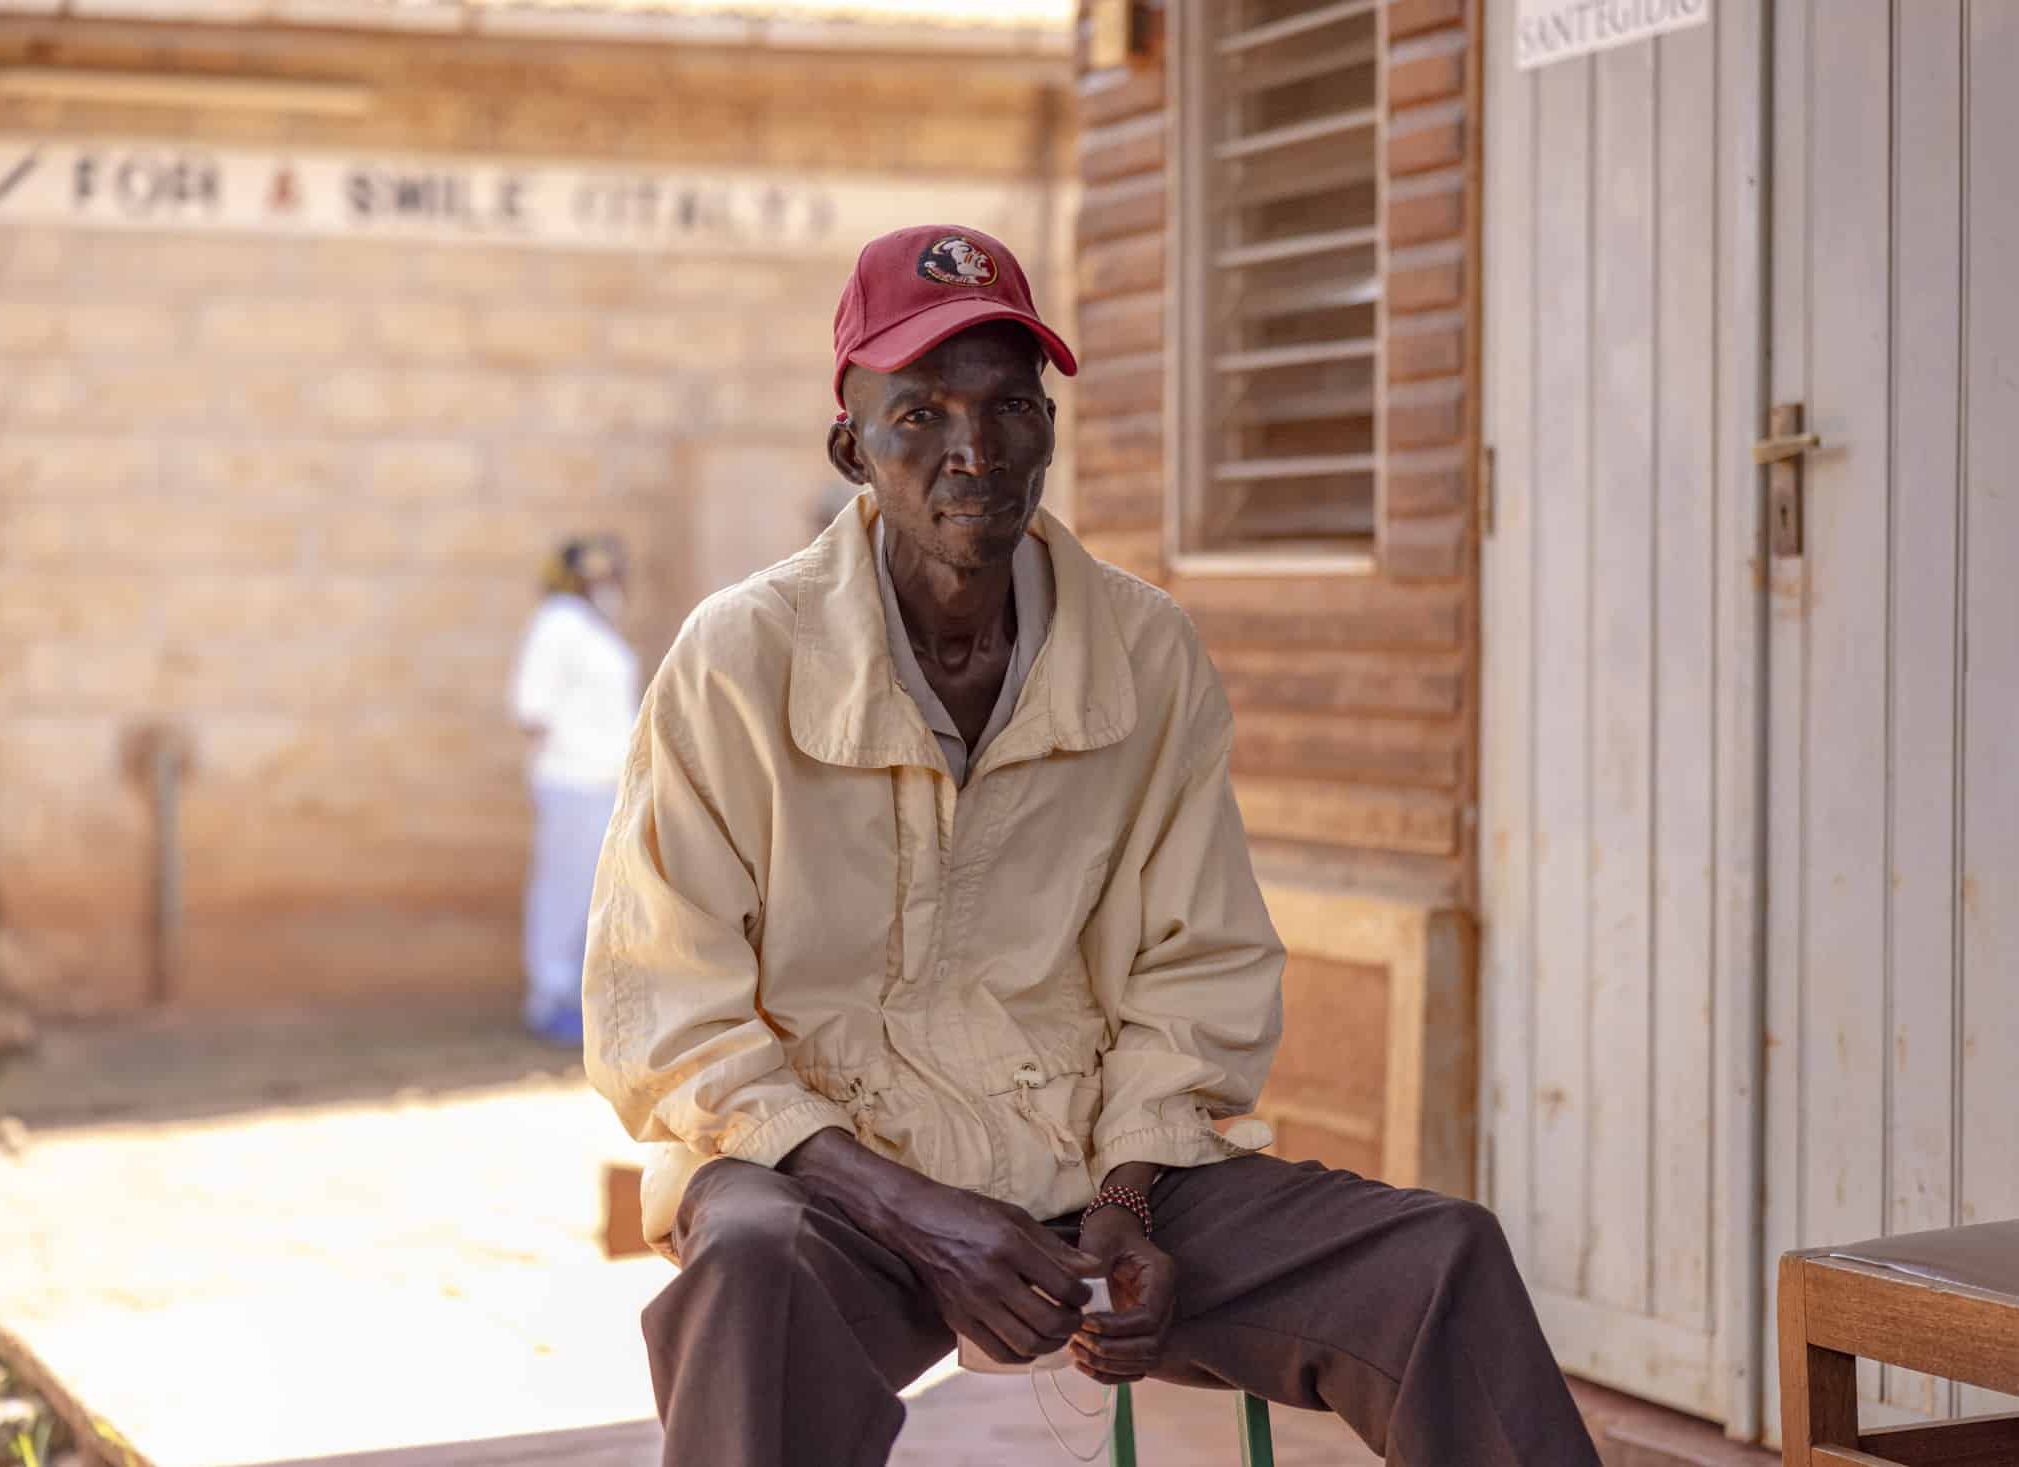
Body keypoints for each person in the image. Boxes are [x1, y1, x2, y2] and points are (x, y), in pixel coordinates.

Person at [583, 224, 1600, 1466]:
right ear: (853, 446)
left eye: (1012, 407)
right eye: (921, 415)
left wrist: (1125, 1200)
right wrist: (915, 1210)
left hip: (1091, 1164)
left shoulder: (1144, 651)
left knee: (1438, 1262)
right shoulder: (737, 661)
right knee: (747, 1270)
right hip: (827, 1183)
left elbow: (1198, 966)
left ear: (1049, 428)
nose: (975, 451)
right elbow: (665, 1013)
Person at [510, 534, 639, 1044]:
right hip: (572, 781)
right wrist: (576, 752)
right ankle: (551, 996)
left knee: (597, 892)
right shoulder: (558, 624)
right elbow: (531, 709)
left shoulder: (593, 628)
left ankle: (586, 1001)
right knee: (565, 891)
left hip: (606, 782)